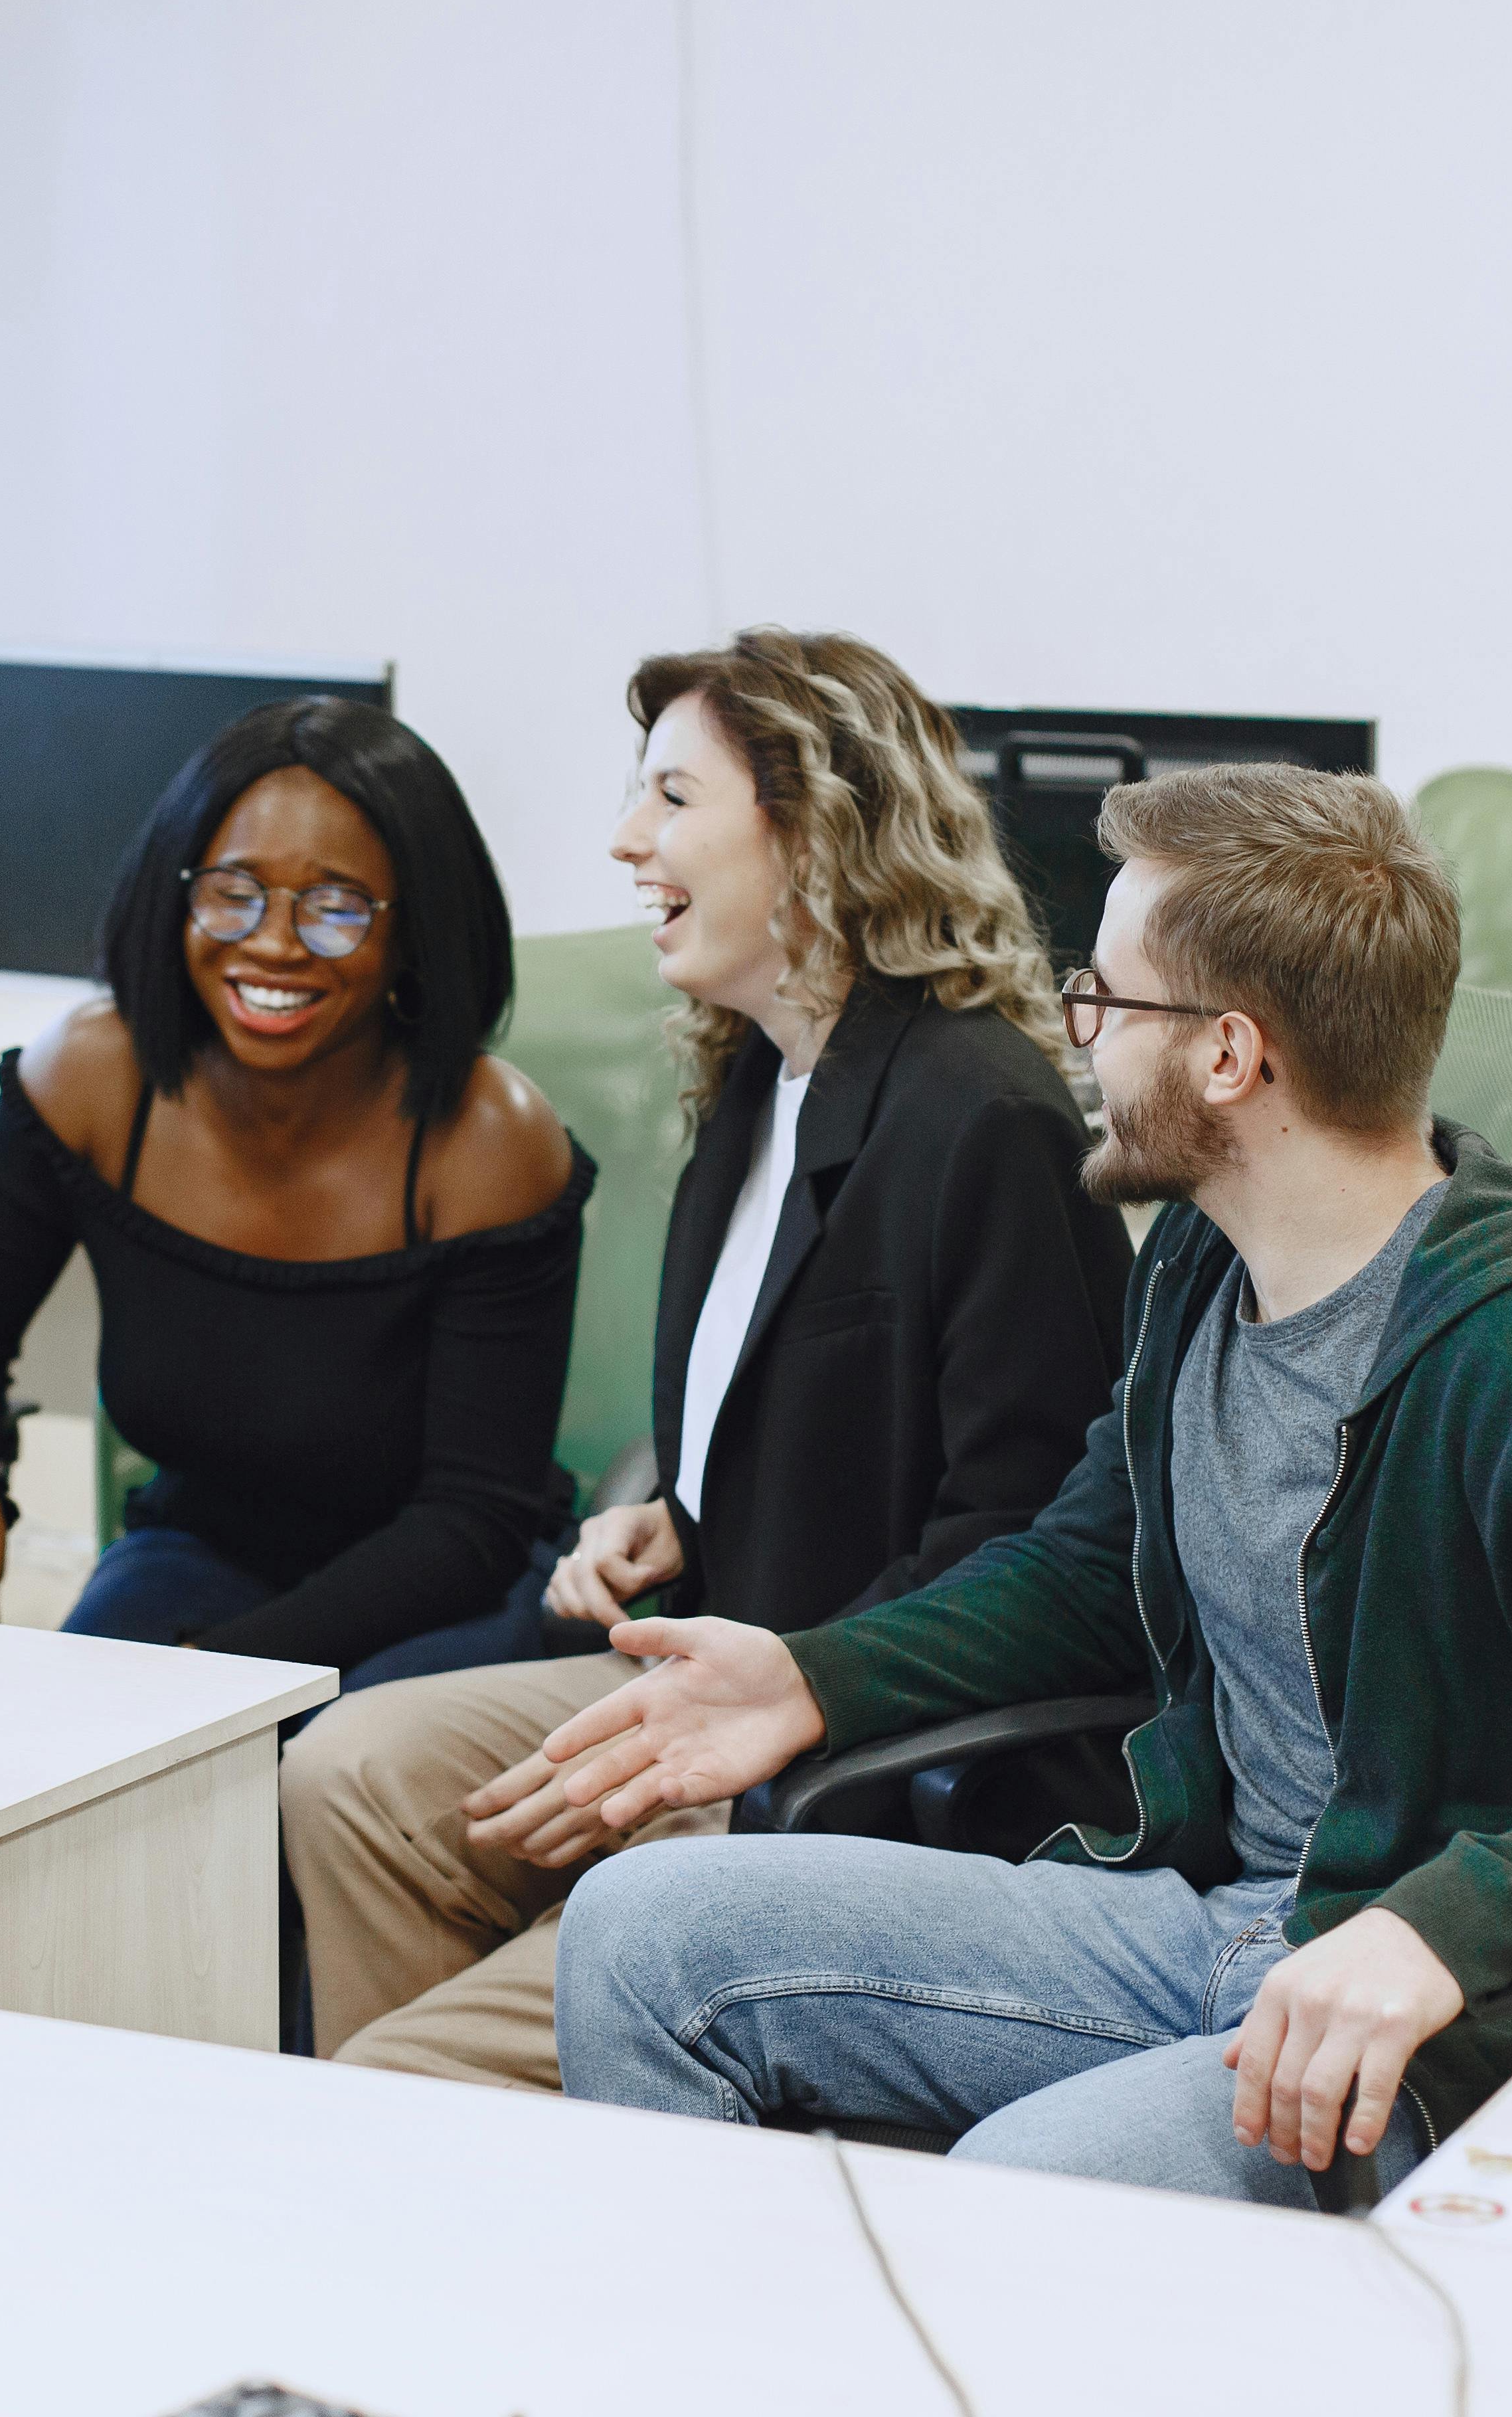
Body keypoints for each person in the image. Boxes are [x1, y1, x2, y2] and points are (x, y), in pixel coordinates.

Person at [545, 762, 1512, 2202]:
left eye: (1099, 1000)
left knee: (1025, 2186)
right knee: (640, 1936)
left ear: (1229, 1056)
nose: (1069, 1034)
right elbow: (1089, 1572)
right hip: (1213, 1929)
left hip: (1432, 2016)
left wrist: (1437, 1934)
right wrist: (816, 1678)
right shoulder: (1202, 1264)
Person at [282, 629, 1137, 2089]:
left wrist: (788, 1684)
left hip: (858, 1737)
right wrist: (679, 1516)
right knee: (349, 1770)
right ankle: (518, 2138)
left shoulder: (982, 1122)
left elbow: (1032, 1547)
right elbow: (828, 1430)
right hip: (725, 1660)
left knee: (394, 2079)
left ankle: (452, 2100)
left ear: (813, 831)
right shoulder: (755, 1082)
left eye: (672, 798)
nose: (628, 840)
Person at [0, 697, 589, 1680]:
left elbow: (471, 1521)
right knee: (49, 1769)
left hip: (435, 1589)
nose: (275, 945)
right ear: (179, 895)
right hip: (199, 1552)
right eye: (233, 892)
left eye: (335, 908)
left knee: (287, 1791)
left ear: (414, 930)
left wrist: (219, 1678)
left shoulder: (486, 1138)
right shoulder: (94, 1079)